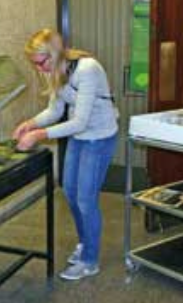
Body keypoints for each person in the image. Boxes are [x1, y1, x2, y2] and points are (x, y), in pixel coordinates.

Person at [13, 28, 119, 281]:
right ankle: (85, 243)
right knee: (69, 190)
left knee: (85, 198)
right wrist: (31, 123)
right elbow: (54, 110)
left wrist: (39, 136)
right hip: (80, 136)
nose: (39, 69)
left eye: (40, 63)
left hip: (99, 137)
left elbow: (80, 121)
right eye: (34, 64)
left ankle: (90, 260)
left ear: (53, 55)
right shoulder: (55, 72)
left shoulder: (87, 69)